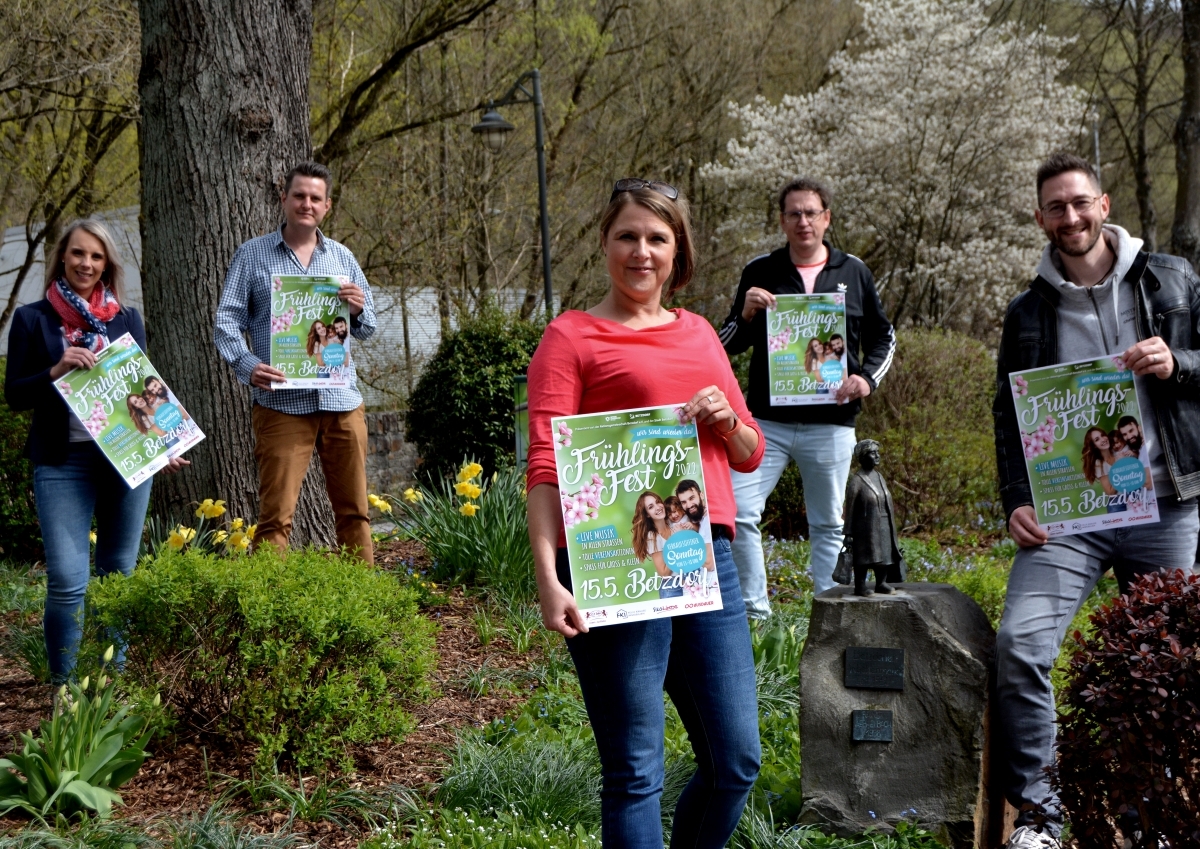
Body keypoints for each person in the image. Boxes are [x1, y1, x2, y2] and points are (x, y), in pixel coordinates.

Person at [526, 178, 765, 848]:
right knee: (635, 769)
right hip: (612, 563)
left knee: (737, 759)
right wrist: (549, 576)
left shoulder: (698, 335)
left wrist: (725, 418)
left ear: (677, 250)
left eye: (656, 238)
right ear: (605, 243)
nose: (641, 251)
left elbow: (750, 451)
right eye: (627, 235)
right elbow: (545, 469)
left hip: (704, 558)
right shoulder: (570, 336)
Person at [993, 153, 1200, 849]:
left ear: (1104, 203)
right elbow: (1007, 413)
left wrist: (1179, 362)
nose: (1070, 217)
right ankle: (1041, 819)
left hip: (1166, 502)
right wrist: (1016, 500)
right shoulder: (1028, 310)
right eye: (1056, 207)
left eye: (1080, 202)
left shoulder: (1171, 279)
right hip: (1070, 516)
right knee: (1019, 644)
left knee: (1168, 665)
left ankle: (1156, 820)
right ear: (1040, 217)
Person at [4, 219, 189, 687]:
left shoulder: (126, 319)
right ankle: (64, 692)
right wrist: (55, 370)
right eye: (78, 254)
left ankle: (111, 685)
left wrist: (163, 446)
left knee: (117, 578)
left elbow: (146, 392)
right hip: (62, 463)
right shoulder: (32, 319)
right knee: (68, 580)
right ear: (62, 257)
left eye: (96, 256)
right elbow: (14, 396)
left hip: (125, 463)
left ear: (107, 264)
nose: (86, 263)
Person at [719, 176, 896, 616]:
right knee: (740, 513)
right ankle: (755, 617)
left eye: (811, 213)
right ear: (782, 221)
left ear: (826, 218)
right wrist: (744, 314)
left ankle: (828, 611)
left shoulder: (854, 271)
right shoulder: (760, 271)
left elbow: (883, 336)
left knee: (831, 524)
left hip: (832, 423)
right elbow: (723, 345)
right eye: (794, 214)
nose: (803, 222)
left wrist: (867, 380)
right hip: (767, 423)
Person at [214, 161, 377, 562]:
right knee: (275, 520)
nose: (307, 204)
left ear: (328, 206)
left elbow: (369, 326)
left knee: (355, 514)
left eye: (315, 198)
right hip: (282, 406)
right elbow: (226, 320)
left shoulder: (342, 258)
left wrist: (355, 310)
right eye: (299, 195)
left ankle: (365, 610)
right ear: (283, 198)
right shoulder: (252, 255)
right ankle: (269, 615)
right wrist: (247, 363)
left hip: (341, 404)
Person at [631, 492, 681, 599]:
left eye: (658, 502)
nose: (658, 507)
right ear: (648, 514)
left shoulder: (673, 522)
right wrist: (676, 544)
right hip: (672, 588)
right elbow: (664, 574)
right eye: (651, 507)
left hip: (688, 580)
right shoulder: (652, 537)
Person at [1080, 426, 1124, 513]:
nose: (1103, 439)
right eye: (1097, 439)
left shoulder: (1118, 451)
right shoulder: (1099, 464)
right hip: (1117, 504)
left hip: (1133, 497)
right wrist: (1119, 468)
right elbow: (1110, 492)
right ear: (1094, 446)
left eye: (1103, 435)